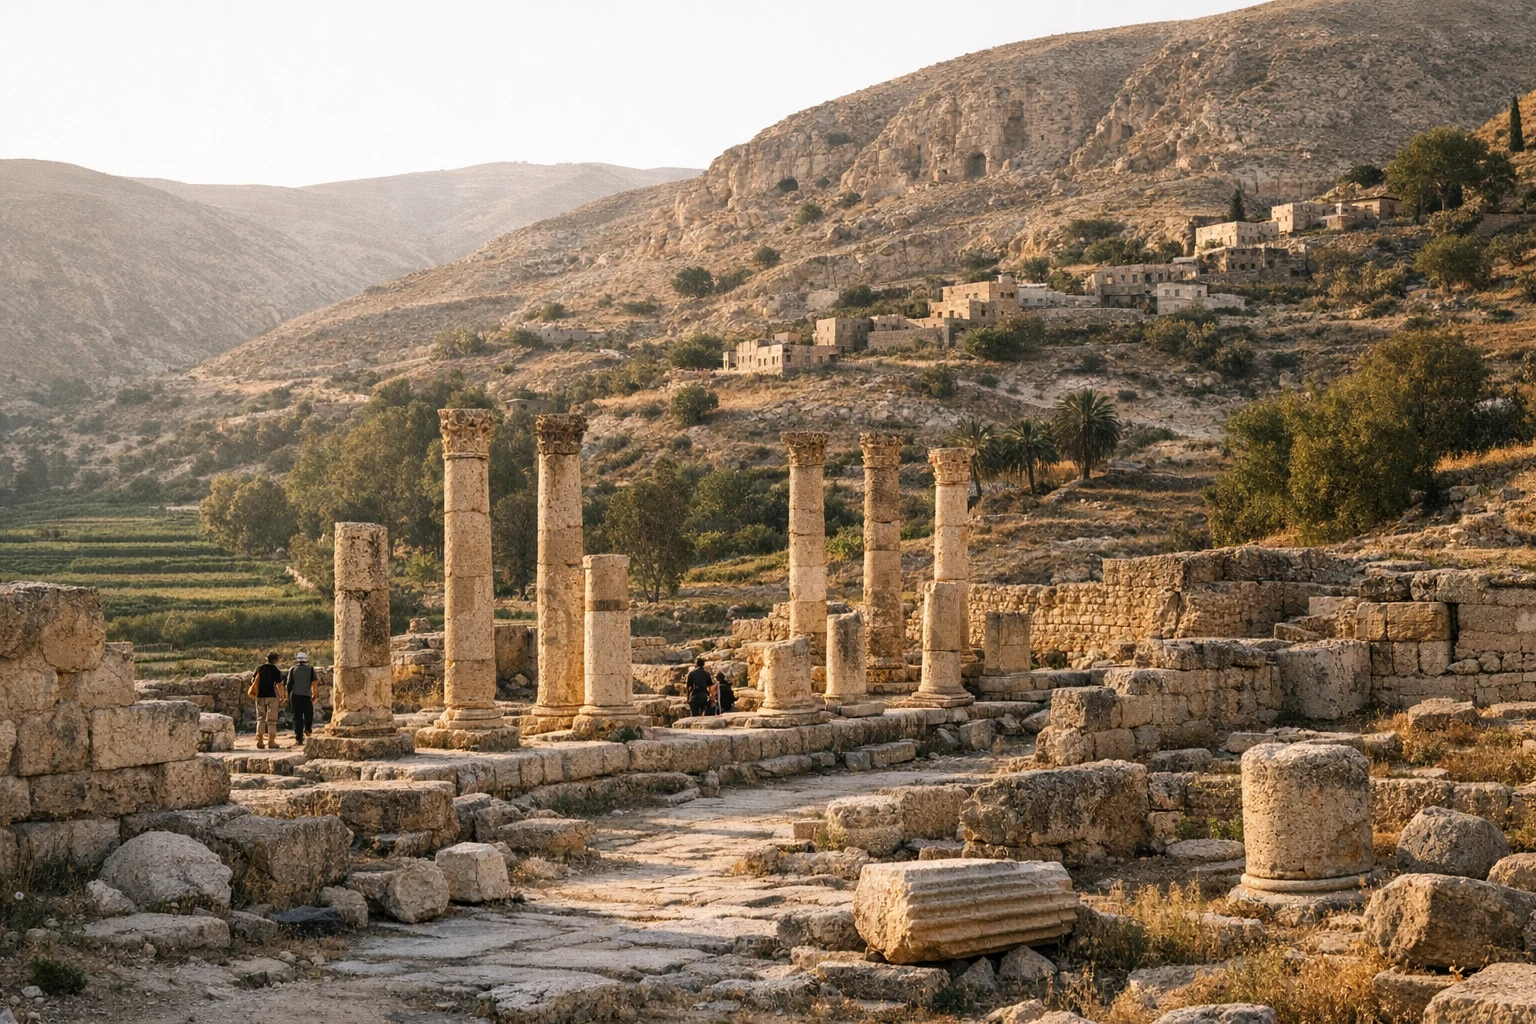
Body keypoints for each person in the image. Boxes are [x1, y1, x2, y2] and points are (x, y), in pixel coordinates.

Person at [250, 651, 286, 749]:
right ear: (276, 660)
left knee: (260, 718)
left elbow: (252, 680)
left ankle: (260, 740)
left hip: (260, 695)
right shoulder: (275, 670)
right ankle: (271, 741)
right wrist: (282, 697)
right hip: (272, 696)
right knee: (272, 720)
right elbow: (279, 685)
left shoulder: (259, 668)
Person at [287, 651, 317, 747]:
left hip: (295, 695)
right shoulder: (310, 669)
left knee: (297, 717)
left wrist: (288, 696)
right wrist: (314, 694)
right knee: (309, 714)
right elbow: (314, 682)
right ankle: (308, 729)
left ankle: (298, 738)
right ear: (306, 660)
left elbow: (289, 684)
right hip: (306, 695)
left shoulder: (292, 669)